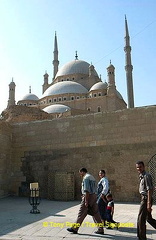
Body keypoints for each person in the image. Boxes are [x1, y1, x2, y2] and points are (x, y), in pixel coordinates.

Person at [67, 167, 104, 235]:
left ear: (82, 172)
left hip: (88, 197)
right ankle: (100, 228)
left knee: (81, 213)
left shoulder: (86, 178)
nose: (80, 175)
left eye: (80, 173)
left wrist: (86, 200)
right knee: (95, 213)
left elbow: (87, 190)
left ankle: (75, 228)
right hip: (93, 196)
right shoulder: (92, 177)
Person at [136, 160, 156, 240]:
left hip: (145, 199)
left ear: (143, 167)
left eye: (140, 167)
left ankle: (142, 238)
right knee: (148, 218)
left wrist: (148, 203)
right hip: (144, 198)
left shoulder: (146, 176)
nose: (139, 168)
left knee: (141, 219)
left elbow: (149, 190)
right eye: (137, 167)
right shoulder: (141, 176)